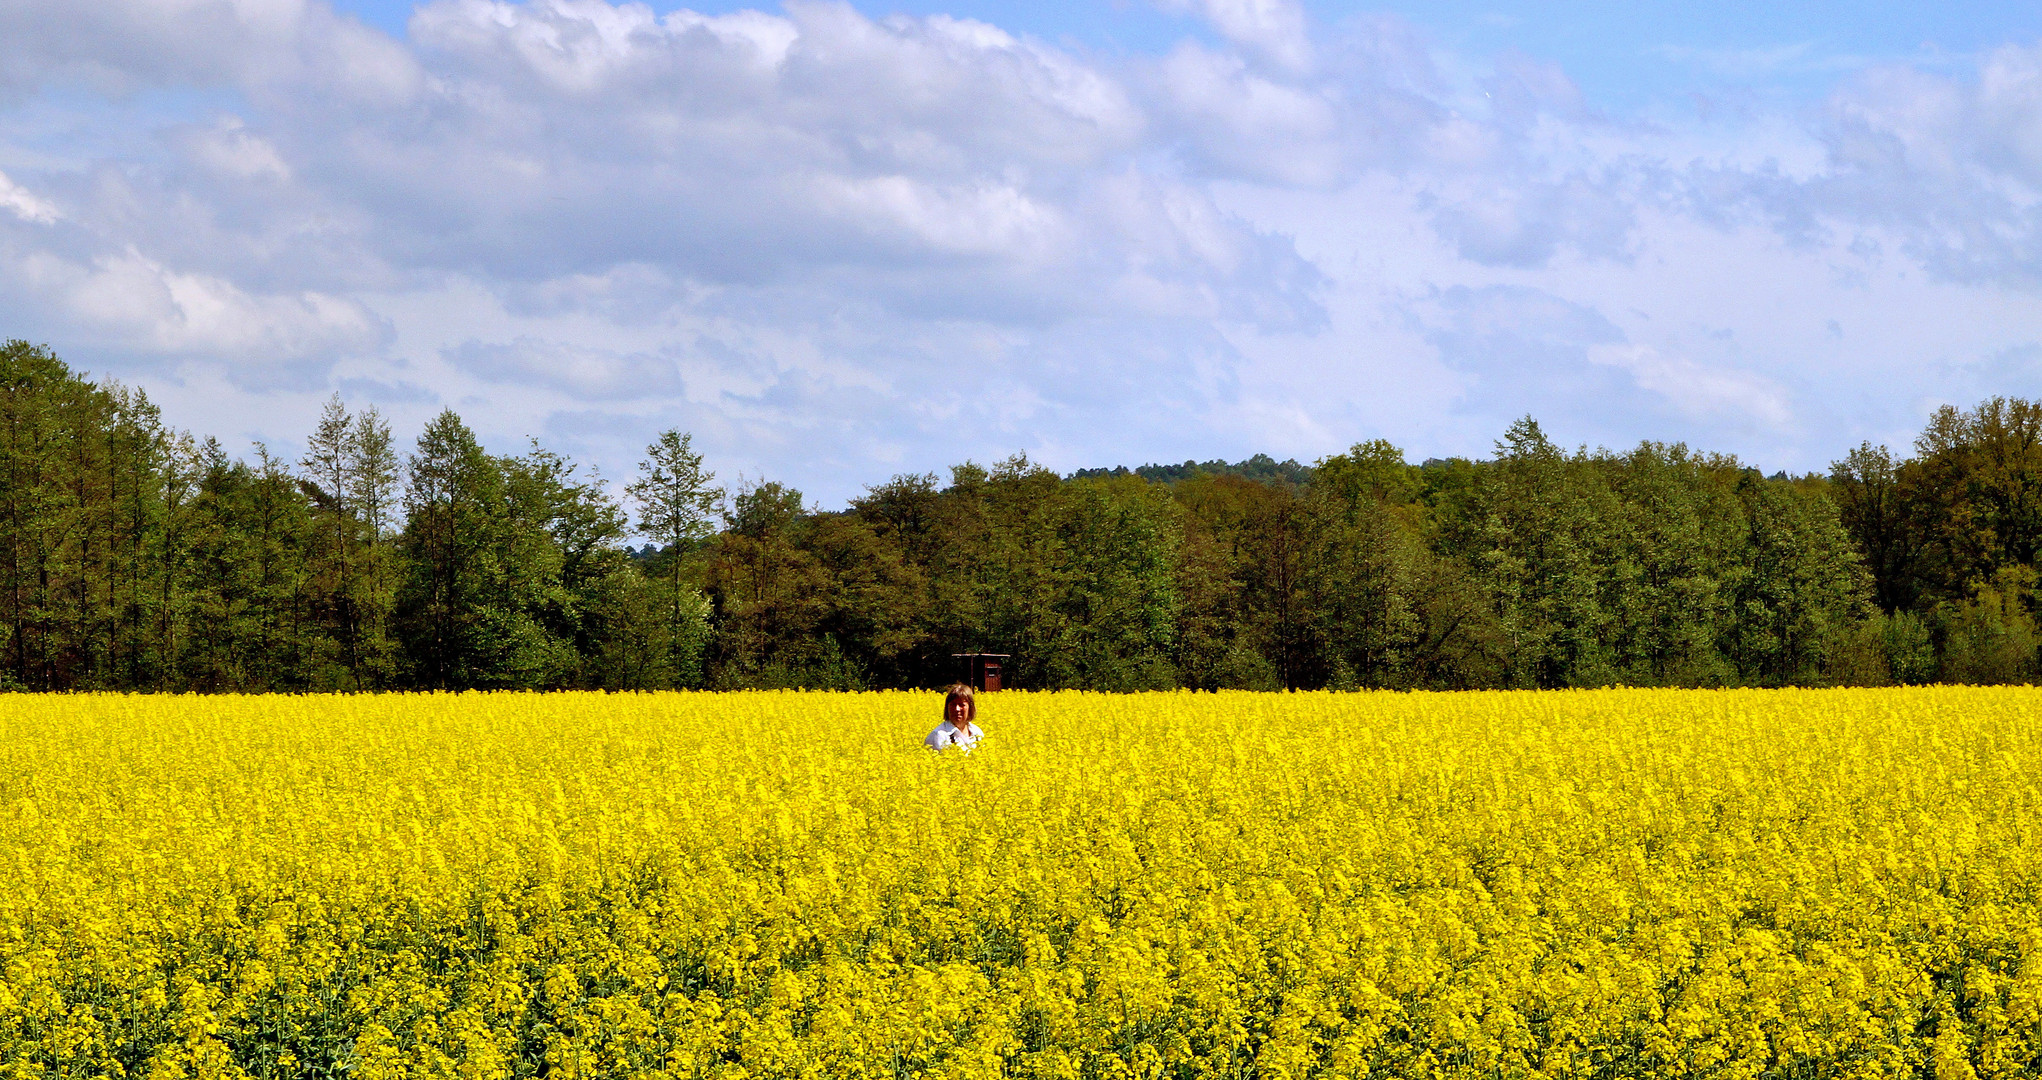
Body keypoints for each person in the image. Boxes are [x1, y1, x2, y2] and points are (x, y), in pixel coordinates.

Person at [925, 684, 983, 751]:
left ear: (970, 707)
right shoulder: (938, 735)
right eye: (953, 704)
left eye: (962, 705)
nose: (957, 709)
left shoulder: (977, 733)